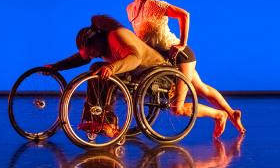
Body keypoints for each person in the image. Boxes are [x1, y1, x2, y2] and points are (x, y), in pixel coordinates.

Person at [46, 15, 228, 137]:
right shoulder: (99, 46)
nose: (93, 54)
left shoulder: (116, 36)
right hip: (136, 73)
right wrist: (55, 67)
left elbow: (135, 58)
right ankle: (97, 118)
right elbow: (81, 58)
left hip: (157, 73)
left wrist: (112, 67)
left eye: (93, 51)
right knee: (95, 67)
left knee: (179, 107)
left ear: (97, 40)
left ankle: (219, 114)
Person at [126, 0, 245, 137]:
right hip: (165, 59)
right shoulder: (130, 8)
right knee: (202, 88)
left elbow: (184, 15)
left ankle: (219, 114)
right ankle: (232, 113)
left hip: (181, 56)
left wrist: (182, 43)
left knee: (177, 108)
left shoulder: (154, 5)